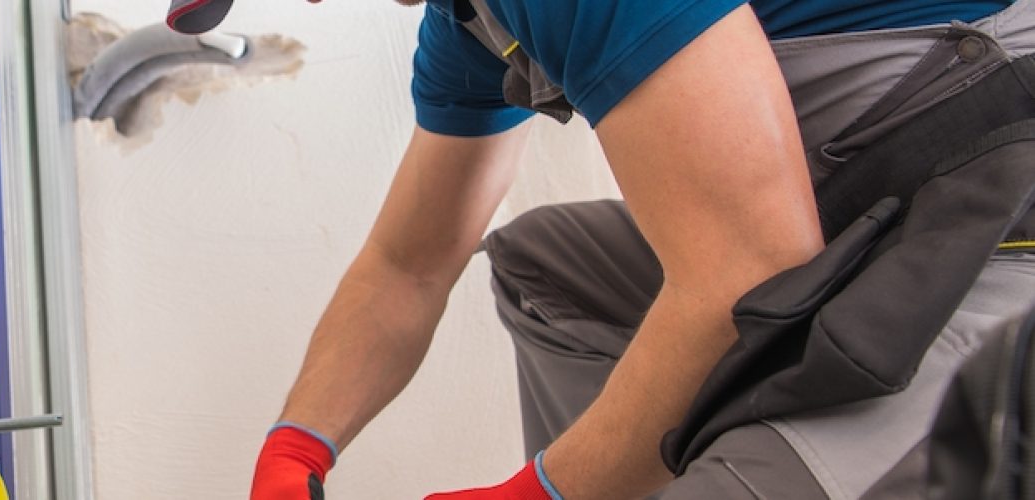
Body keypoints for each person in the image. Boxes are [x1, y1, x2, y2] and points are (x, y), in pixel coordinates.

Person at [165, 0, 1035, 498]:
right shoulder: (470, 22)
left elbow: (749, 270)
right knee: (548, 269)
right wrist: (296, 445)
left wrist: (540, 491)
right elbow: (409, 262)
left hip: (988, 234)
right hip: (849, 240)